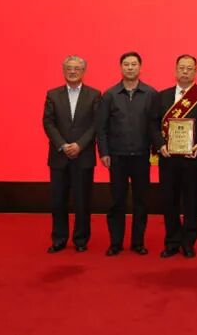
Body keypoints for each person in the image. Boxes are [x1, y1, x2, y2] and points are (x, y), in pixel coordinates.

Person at [97, 51, 160, 257]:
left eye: (134, 64)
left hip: (142, 156)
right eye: (126, 64)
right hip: (117, 156)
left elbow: (156, 126)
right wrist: (104, 152)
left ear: (140, 67)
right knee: (117, 201)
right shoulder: (110, 95)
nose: (130, 68)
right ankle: (115, 242)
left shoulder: (151, 94)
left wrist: (156, 151)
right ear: (121, 67)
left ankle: (138, 242)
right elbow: (101, 128)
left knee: (141, 201)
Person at [154, 55, 197, 258]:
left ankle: (189, 241)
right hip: (168, 158)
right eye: (182, 68)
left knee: (192, 200)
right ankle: (172, 241)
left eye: (189, 68)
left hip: (193, 158)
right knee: (169, 200)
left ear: (195, 71)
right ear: (175, 70)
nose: (185, 71)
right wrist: (160, 144)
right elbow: (152, 124)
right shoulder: (162, 96)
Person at [42, 55, 101, 253]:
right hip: (59, 156)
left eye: (77, 68)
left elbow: (96, 124)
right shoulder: (52, 94)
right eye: (69, 68)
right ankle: (59, 239)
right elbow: (48, 122)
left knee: (82, 200)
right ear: (63, 71)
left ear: (83, 71)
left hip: (83, 156)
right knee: (58, 200)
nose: (73, 71)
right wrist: (62, 145)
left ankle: (81, 239)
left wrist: (79, 145)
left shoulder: (94, 95)